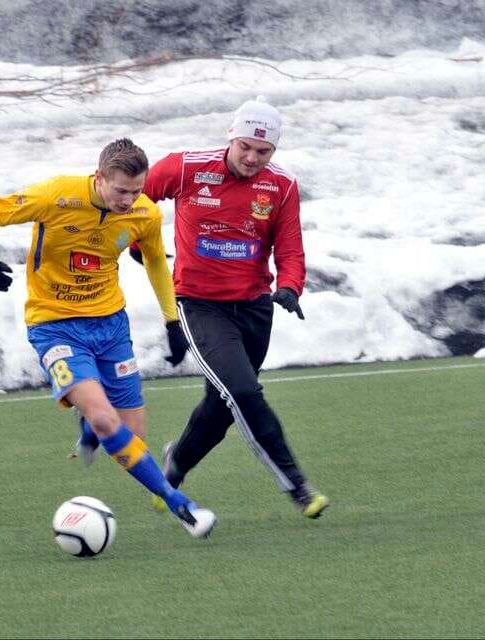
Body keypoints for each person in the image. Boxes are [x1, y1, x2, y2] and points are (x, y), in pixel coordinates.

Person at [0, 138, 214, 537]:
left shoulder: (145, 213)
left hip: (111, 327)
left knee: (132, 437)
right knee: (105, 419)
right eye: (121, 191)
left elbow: (155, 260)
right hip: (54, 325)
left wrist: (172, 321)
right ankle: (181, 505)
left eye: (137, 190)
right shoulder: (57, 195)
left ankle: (88, 427)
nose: (129, 200)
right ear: (99, 177)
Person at [143, 98, 329, 518]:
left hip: (254, 308)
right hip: (199, 304)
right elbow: (136, 196)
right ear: (231, 136)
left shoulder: (282, 186)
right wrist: (141, 241)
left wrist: (290, 287)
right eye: (245, 146)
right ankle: (297, 485)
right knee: (244, 392)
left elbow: (290, 248)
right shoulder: (186, 168)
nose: (252, 158)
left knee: (221, 406)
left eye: (263, 151)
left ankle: (173, 467)